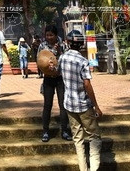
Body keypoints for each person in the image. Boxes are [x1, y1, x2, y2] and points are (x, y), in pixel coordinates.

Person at [60, 29, 103, 171]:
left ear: (67, 42)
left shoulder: (63, 58)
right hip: (83, 105)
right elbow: (87, 84)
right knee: (94, 136)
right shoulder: (83, 61)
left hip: (69, 104)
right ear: (82, 44)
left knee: (77, 139)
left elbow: (57, 73)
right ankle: (94, 168)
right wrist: (96, 106)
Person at [39, 24, 70, 142]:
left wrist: (59, 52)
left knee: (63, 105)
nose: (49, 37)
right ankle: (45, 131)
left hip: (60, 78)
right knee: (47, 105)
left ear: (56, 35)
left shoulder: (63, 44)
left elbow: (66, 59)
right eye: (47, 35)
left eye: (51, 35)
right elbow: (39, 60)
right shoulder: (42, 45)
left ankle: (65, 130)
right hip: (48, 78)